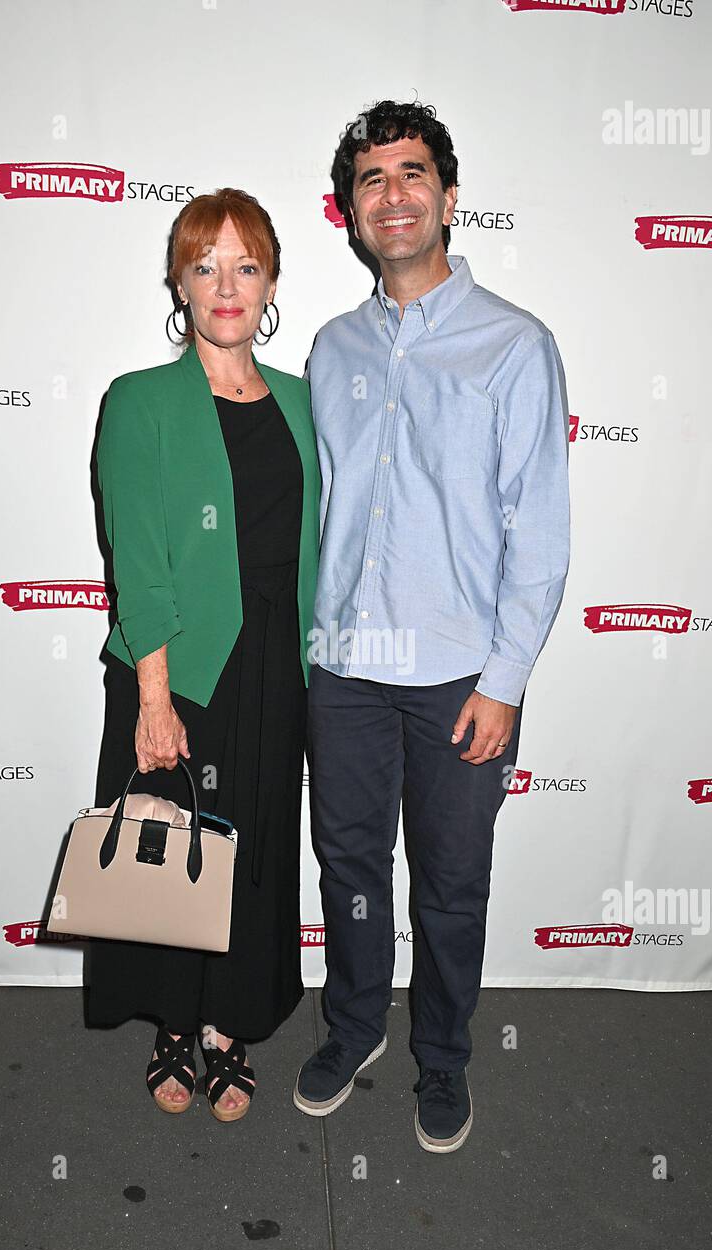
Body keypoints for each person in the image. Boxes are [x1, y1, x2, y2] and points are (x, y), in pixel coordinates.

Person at [297, 101, 571, 1153]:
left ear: (449, 198)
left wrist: (504, 680)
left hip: (462, 676)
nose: (394, 196)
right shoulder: (331, 350)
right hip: (348, 671)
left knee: (453, 883)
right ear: (352, 212)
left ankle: (444, 1056)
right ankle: (357, 1023)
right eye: (372, 181)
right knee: (351, 865)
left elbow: (536, 530)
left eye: (413, 175)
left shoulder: (514, 345)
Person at [86, 189, 321, 1121]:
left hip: (279, 663)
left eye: (246, 265)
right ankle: (176, 1026)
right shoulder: (140, 401)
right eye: (206, 266)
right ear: (179, 284)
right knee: (172, 847)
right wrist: (154, 696)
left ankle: (229, 1026)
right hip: (178, 664)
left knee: (252, 847)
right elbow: (136, 559)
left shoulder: (307, 404)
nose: (227, 285)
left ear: (270, 284)